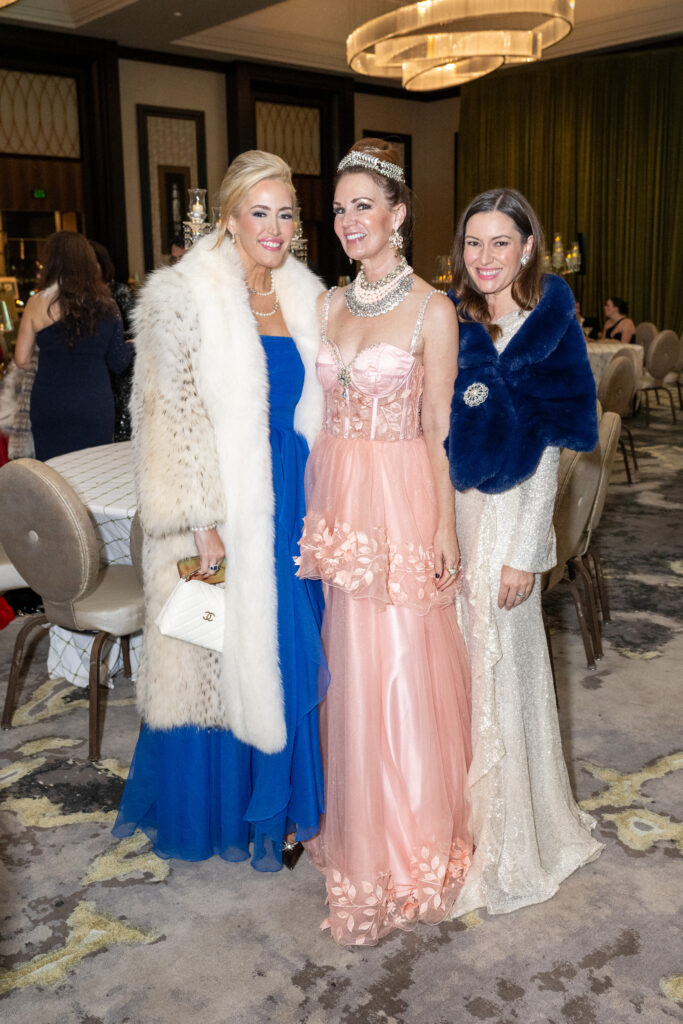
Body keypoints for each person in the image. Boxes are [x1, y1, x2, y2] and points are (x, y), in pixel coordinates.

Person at [113, 151, 328, 871]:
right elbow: (164, 418)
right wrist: (200, 522)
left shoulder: (305, 294)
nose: (274, 227)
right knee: (226, 654)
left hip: (297, 500)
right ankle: (246, 808)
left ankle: (291, 800)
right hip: (227, 509)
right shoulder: (183, 295)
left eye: (286, 212)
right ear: (231, 218)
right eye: (258, 212)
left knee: (292, 649)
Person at [297, 139, 472, 945]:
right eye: (338, 208)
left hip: (402, 499)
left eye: (363, 205)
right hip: (339, 499)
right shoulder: (330, 305)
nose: (347, 221)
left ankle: (407, 849)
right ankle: (357, 827)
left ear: (398, 214)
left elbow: (440, 428)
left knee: (401, 668)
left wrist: (442, 525)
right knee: (351, 668)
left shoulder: (433, 310)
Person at [446, 188, 603, 917]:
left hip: (508, 519)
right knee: (454, 664)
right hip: (455, 511)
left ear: (527, 247)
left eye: (499, 242)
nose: (484, 258)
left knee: (500, 661)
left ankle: (513, 835)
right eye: (473, 243)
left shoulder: (550, 322)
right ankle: (456, 825)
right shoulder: (456, 320)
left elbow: (552, 451)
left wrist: (523, 555)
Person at [13, 231, 132, 461]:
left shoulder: (36, 303)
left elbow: (21, 359)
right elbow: (118, 362)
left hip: (49, 403)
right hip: (93, 403)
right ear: (87, 263)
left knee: (53, 475)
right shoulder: (107, 305)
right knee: (92, 471)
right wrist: (135, 344)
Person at [89, 239, 136, 442]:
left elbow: (135, 328)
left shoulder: (119, 293)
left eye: (94, 263)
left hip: (121, 374)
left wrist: (126, 343)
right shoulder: (81, 298)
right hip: (96, 375)